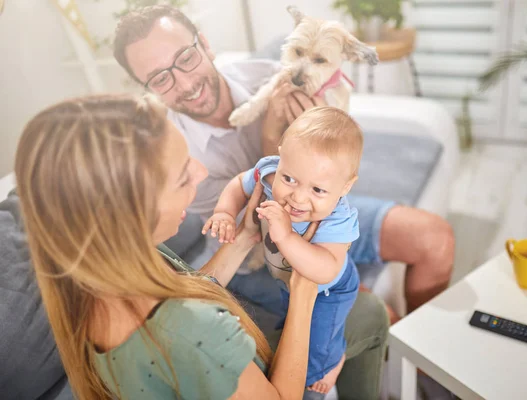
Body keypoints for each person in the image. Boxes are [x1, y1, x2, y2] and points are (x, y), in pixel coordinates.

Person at [113, 5, 455, 322]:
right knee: (375, 315)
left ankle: (427, 367)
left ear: (204, 44)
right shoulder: (177, 157)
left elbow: (338, 152)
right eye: (160, 79)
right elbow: (265, 218)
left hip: (323, 211)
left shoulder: (267, 75)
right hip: (262, 253)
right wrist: (272, 135)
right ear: (148, 89)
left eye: (186, 57)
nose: (186, 84)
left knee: (435, 239)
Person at [14, 94, 322, 399]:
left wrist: (242, 239)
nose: (201, 173)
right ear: (129, 215)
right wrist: (304, 294)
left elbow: (183, 296)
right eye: (182, 176)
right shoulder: (191, 331)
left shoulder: (94, 272)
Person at [205, 107, 363, 394]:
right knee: (288, 319)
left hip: (328, 291)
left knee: (315, 346)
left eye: (318, 190)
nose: (298, 197)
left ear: (346, 186)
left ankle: (331, 362)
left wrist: (288, 237)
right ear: (280, 157)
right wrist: (225, 213)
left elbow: (326, 268)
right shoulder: (268, 173)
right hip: (285, 275)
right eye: (289, 179)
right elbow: (238, 185)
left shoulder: (337, 219)